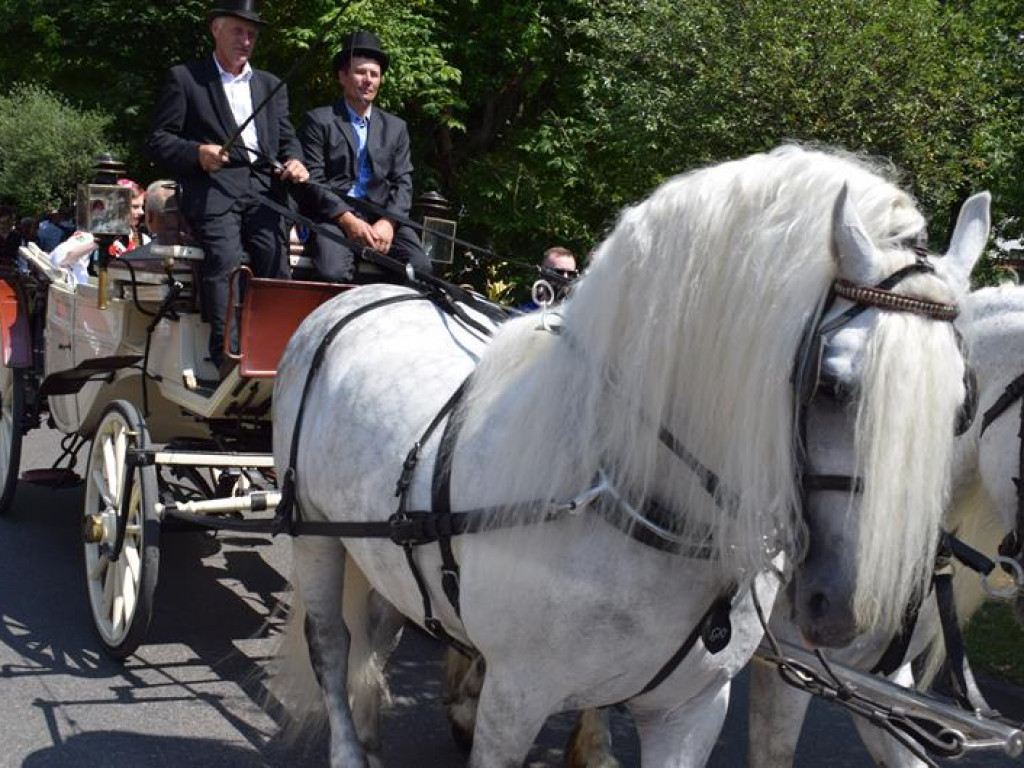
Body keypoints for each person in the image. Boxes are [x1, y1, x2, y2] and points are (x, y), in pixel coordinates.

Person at [145, 0, 308, 370]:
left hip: (264, 187)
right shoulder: (186, 78)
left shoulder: (270, 84)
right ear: (215, 29)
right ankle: (228, 354)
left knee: (275, 260)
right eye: (238, 30)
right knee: (227, 261)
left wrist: (296, 160)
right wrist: (198, 152)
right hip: (213, 185)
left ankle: (276, 351)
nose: (246, 40)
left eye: (252, 34)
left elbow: (287, 139)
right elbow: (158, 140)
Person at [298, 30, 431, 283]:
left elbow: (403, 183)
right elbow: (313, 180)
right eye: (360, 72)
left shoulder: (396, 127)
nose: (368, 80)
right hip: (334, 219)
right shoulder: (319, 120)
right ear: (343, 76)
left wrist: (388, 223)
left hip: (381, 219)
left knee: (421, 270)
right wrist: (347, 219)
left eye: (374, 74)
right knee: (331, 273)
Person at [519, 245, 578, 311]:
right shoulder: (523, 314)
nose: (565, 277)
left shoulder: (579, 314)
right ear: (542, 275)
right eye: (559, 272)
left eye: (571, 273)